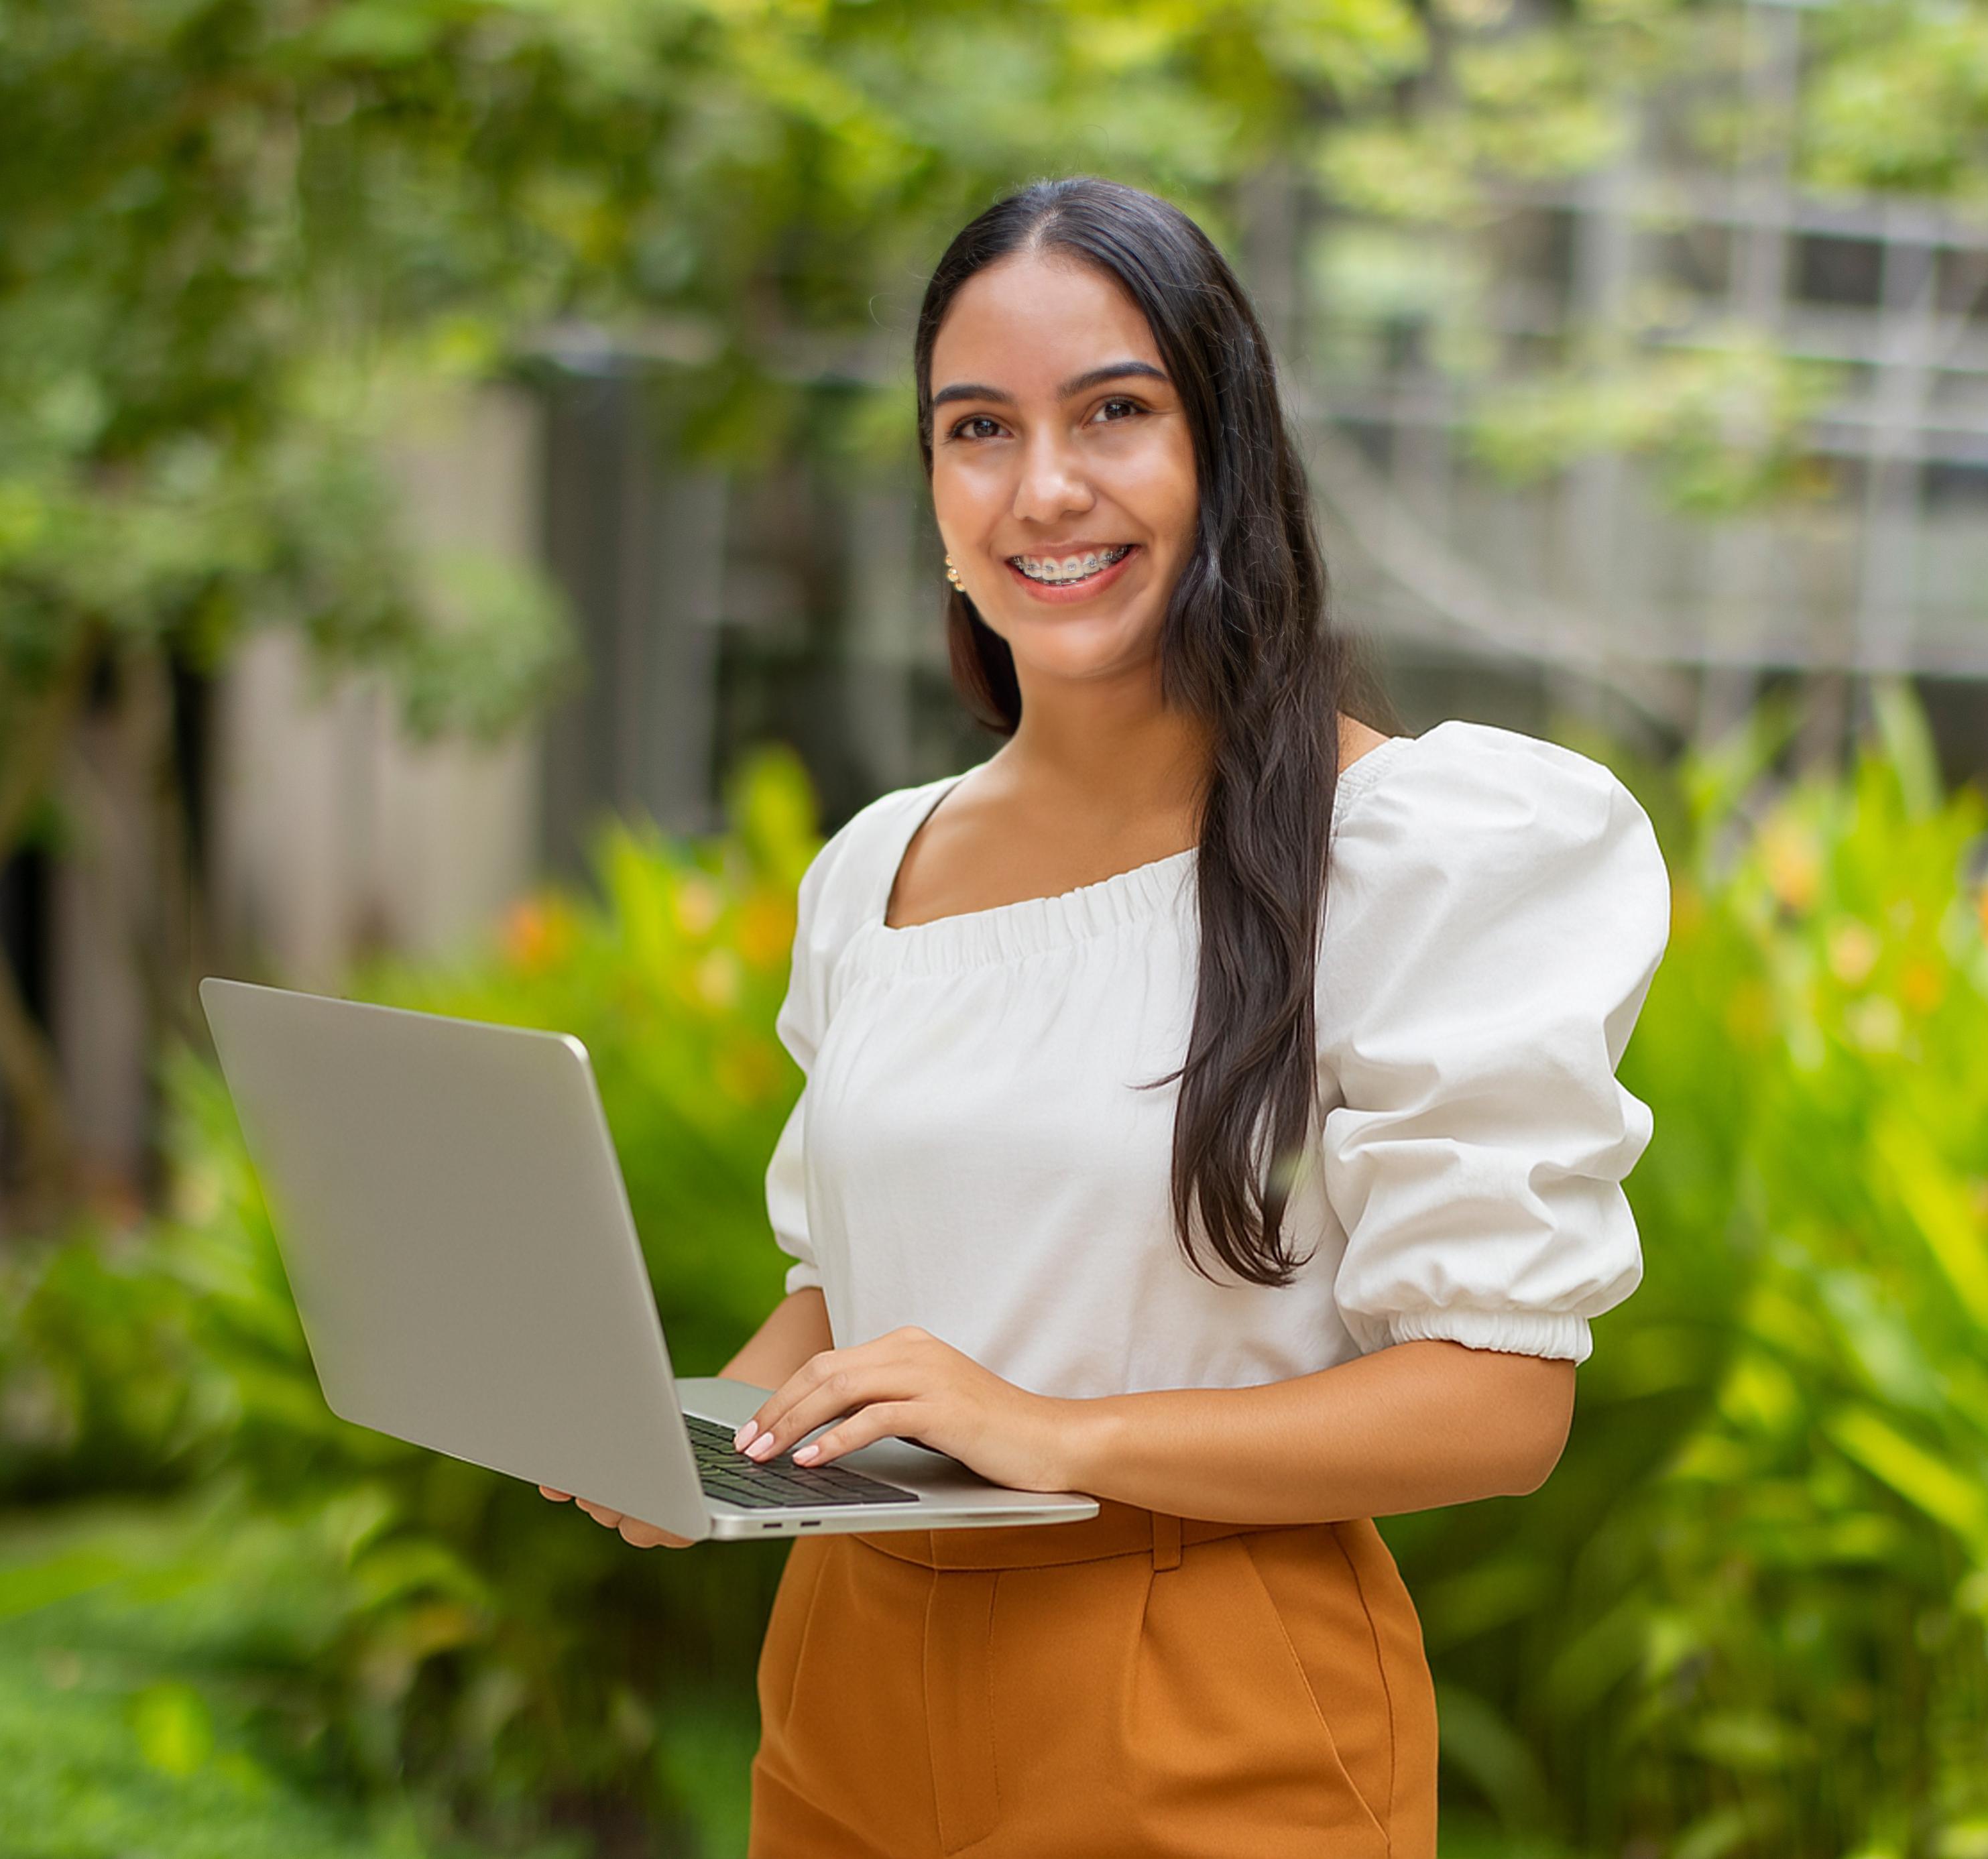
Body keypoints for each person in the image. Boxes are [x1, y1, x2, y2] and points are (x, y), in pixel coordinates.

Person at [540, 176, 1668, 1858]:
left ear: (1226, 448)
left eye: (1115, 412)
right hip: (848, 1670)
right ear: (930, 483)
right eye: (978, 426)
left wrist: (1049, 1435)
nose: (1043, 486)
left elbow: (1497, 1404)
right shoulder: (877, 870)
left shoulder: (1418, 848)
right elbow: (848, 1290)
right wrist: (704, 1438)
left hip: (1205, 1687)